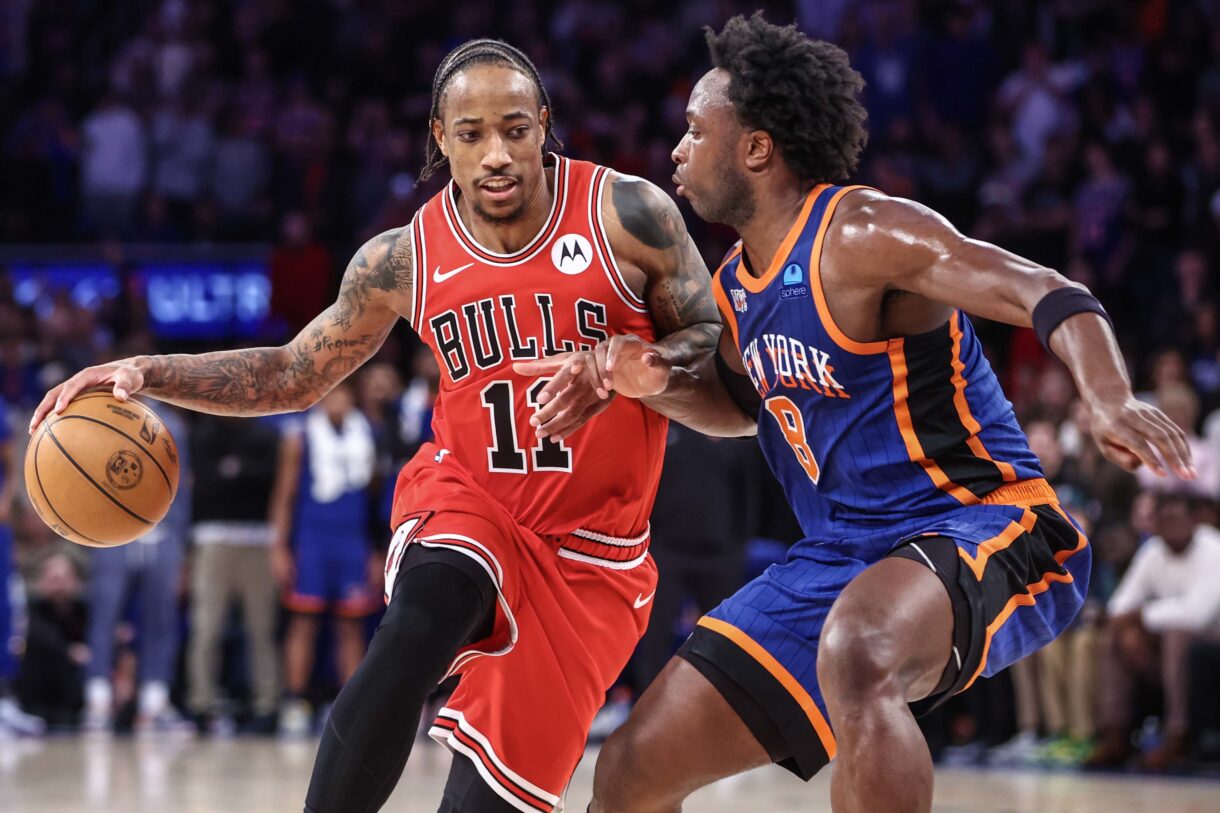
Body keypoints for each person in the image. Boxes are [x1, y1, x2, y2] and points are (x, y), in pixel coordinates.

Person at [31, 38, 730, 812]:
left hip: (593, 556)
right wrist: (148, 371)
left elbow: (712, 345)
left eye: (514, 130)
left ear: (544, 123)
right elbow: (292, 373)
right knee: (425, 612)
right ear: (440, 138)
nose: (496, 154)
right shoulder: (404, 259)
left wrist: (645, 364)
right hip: (472, 501)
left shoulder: (626, 214)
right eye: (471, 134)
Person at [517, 15, 1193, 813]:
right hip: (842, 556)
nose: (676, 150)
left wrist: (1109, 394)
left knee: (859, 647)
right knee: (632, 770)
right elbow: (740, 408)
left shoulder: (864, 233)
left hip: (985, 520)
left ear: (756, 149)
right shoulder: (737, 285)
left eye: (696, 130)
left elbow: (1042, 288)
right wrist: (648, 379)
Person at [269, 381, 379, 737]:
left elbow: (375, 499)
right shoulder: (299, 437)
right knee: (304, 622)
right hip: (311, 540)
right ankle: (295, 702)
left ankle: (351, 707)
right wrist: (279, 546)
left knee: (351, 626)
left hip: (352, 540)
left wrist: (376, 549)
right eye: (332, 394)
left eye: (344, 394)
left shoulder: (368, 434)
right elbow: (284, 496)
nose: (338, 400)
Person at [1089, 491, 1220, 770]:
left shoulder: (1213, 548)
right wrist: (1128, 631)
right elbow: (1120, 605)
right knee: (1115, 638)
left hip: (1208, 644)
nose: (1172, 526)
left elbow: (1196, 615)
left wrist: (1139, 617)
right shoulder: (1153, 551)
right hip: (1164, 646)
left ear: (1193, 521)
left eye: (1178, 519)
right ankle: (1116, 733)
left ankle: (1178, 735)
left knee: (1177, 636)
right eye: (1166, 519)